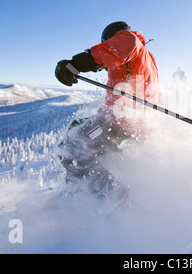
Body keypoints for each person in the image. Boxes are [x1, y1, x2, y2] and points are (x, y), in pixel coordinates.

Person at [54, 21, 160, 206]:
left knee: (71, 151)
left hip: (124, 123)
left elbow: (120, 48)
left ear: (114, 37)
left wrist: (75, 64)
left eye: (107, 42)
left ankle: (116, 200)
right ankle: (76, 189)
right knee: (76, 129)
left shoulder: (129, 40)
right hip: (128, 119)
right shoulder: (145, 57)